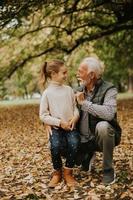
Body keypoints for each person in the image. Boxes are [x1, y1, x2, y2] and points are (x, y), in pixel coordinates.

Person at [75, 56, 121, 185]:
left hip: (101, 138)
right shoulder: (77, 90)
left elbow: (109, 113)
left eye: (80, 71)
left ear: (91, 75)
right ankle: (87, 154)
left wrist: (84, 103)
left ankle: (108, 170)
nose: (77, 74)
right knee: (58, 141)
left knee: (103, 126)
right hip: (82, 139)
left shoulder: (109, 89)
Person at [39, 59, 80, 188]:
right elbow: (43, 115)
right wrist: (58, 122)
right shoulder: (47, 93)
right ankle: (57, 173)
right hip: (56, 128)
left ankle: (68, 172)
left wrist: (76, 116)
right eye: (64, 72)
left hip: (70, 126)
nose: (66, 75)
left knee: (74, 143)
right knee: (55, 146)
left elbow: (75, 107)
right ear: (53, 74)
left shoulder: (68, 90)